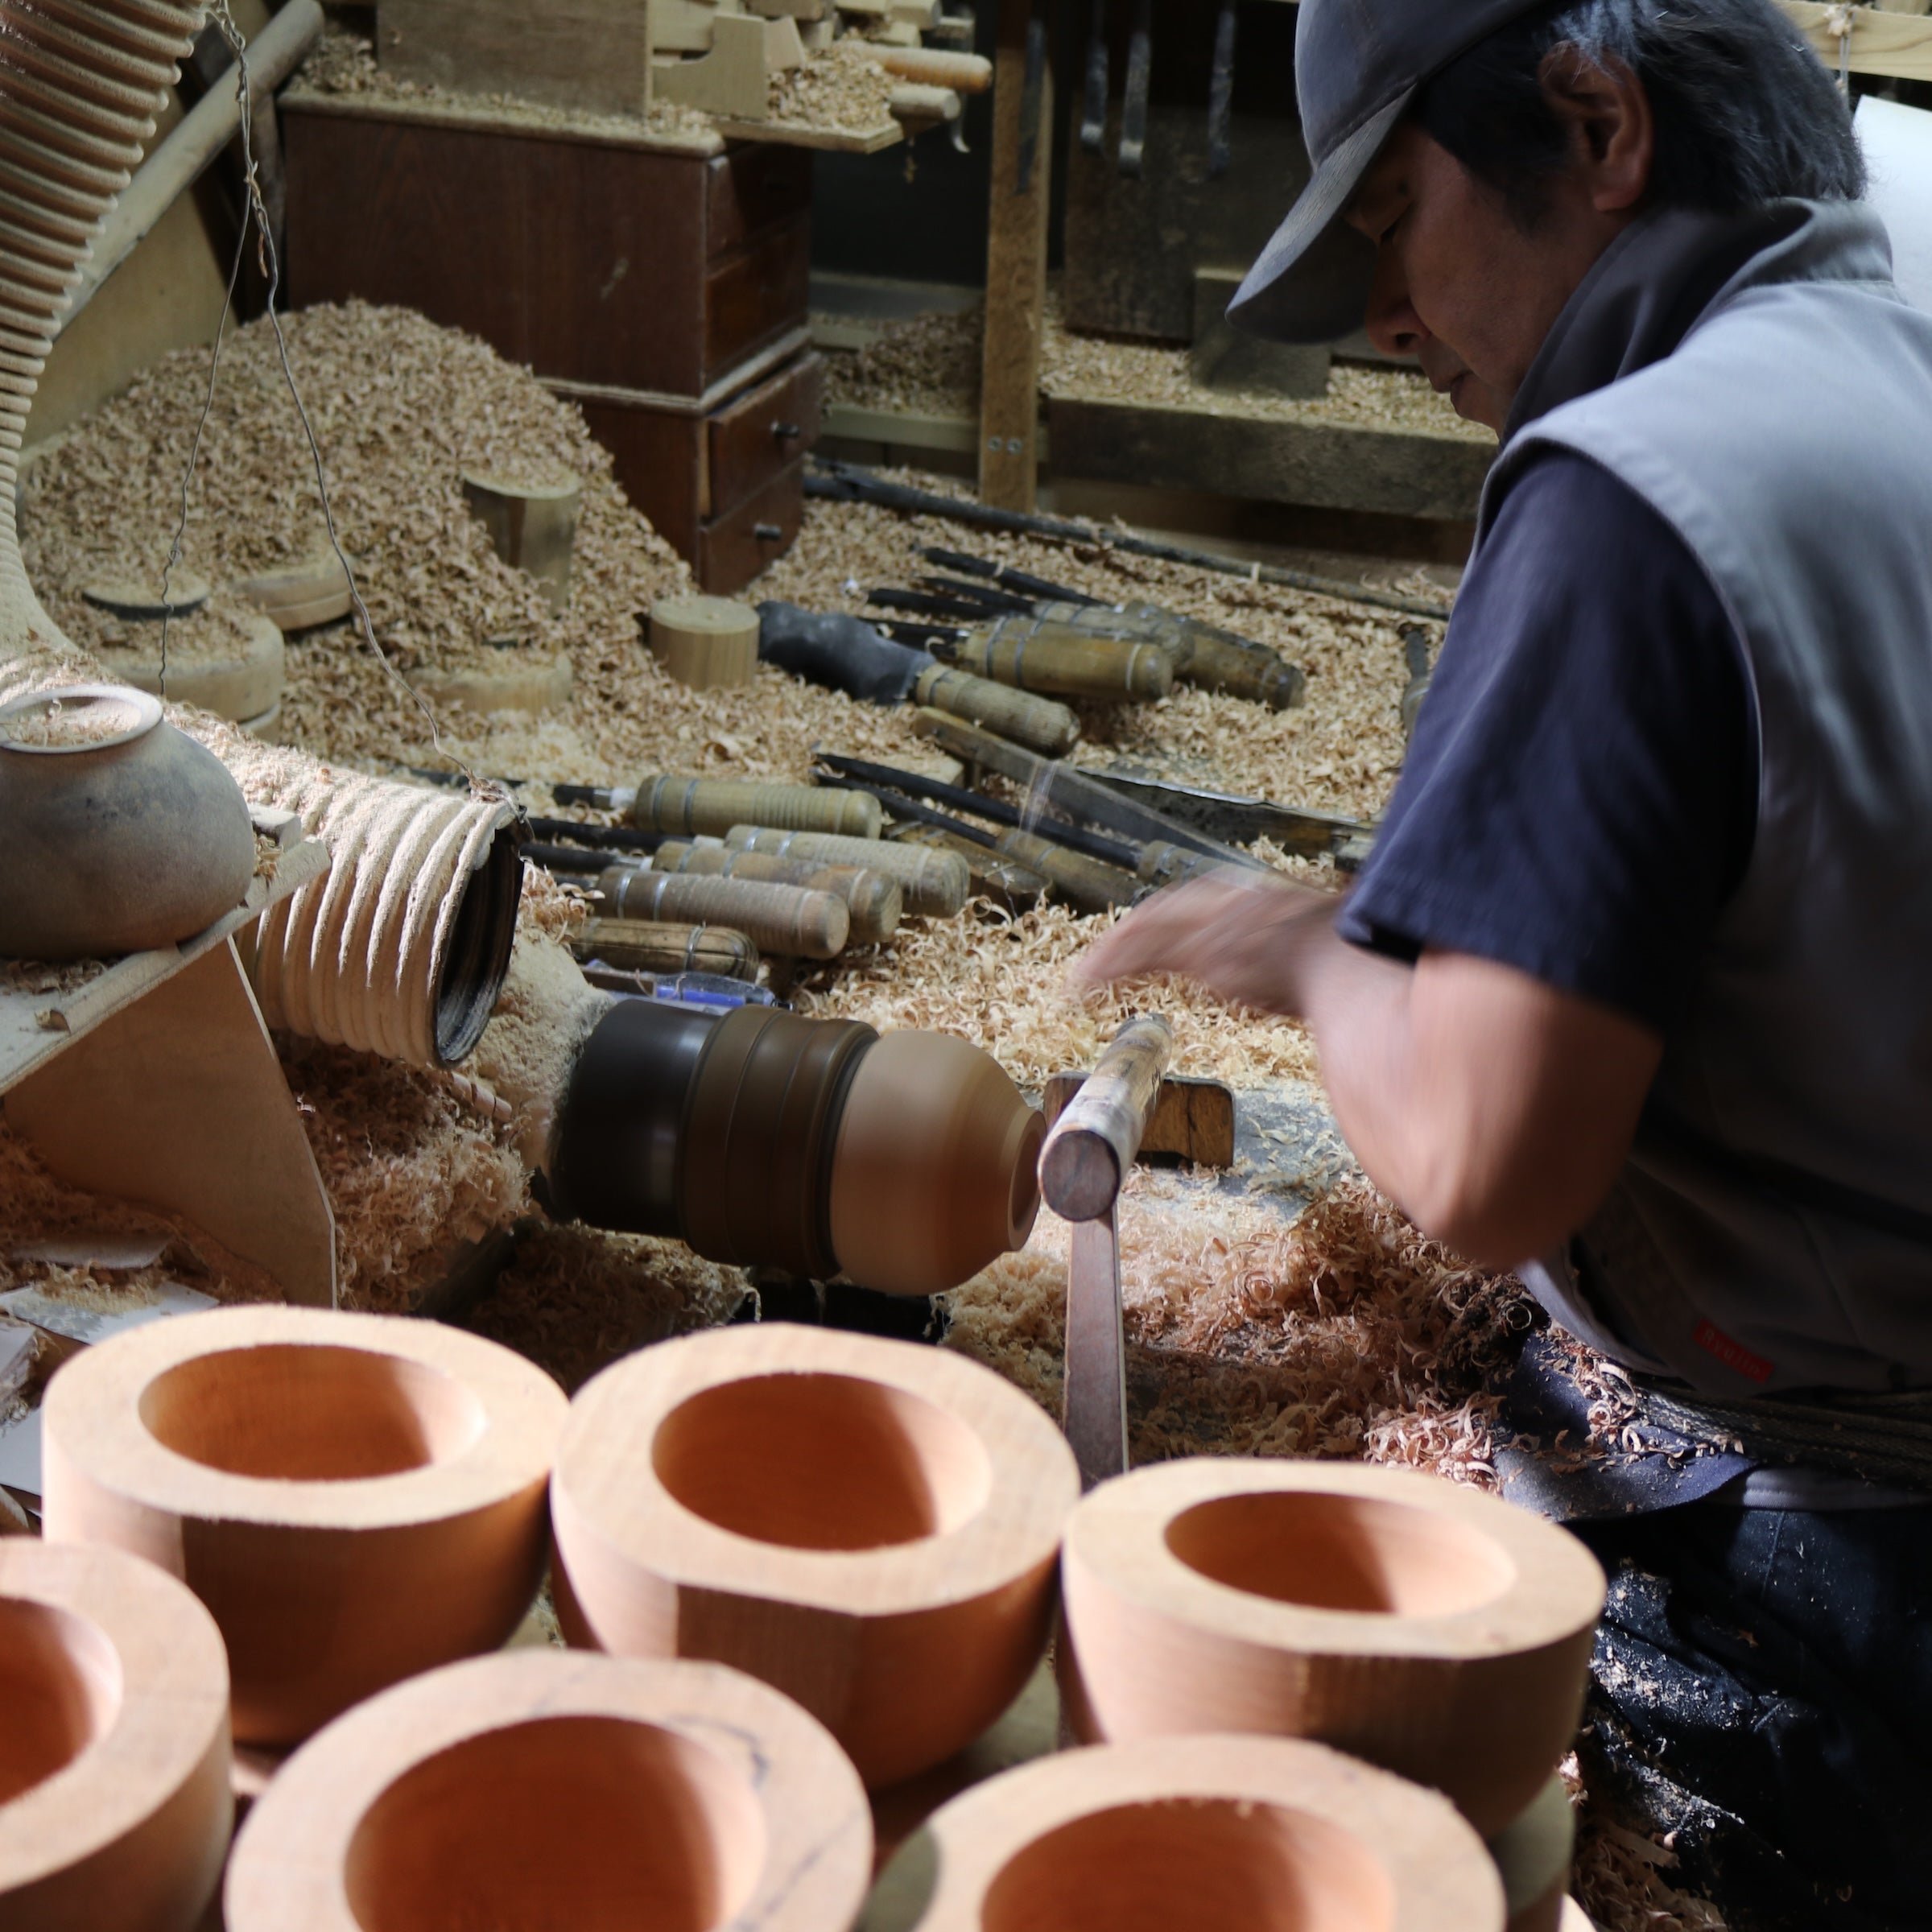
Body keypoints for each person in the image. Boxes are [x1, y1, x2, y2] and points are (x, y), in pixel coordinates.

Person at [1075, 2, 1932, 1926]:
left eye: (1391, 218)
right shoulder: (1903, 298)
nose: (1388, 319)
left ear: (1599, 126)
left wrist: (1301, 946)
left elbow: (1485, 1165)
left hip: (1864, 1540)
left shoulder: (1642, 491)